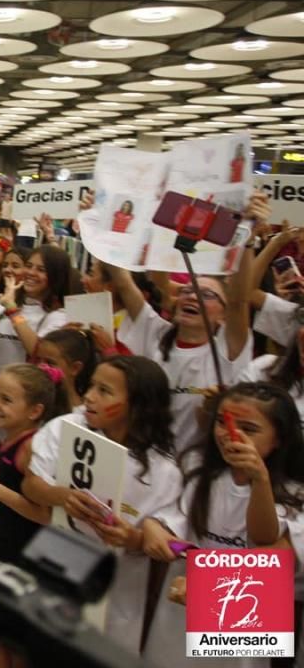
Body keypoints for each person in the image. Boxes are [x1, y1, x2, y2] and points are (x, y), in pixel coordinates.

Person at [23, 356, 182, 655]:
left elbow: (164, 544)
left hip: (118, 593)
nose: (89, 396)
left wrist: (132, 539)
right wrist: (60, 495)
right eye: (92, 385)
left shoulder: (165, 471)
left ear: (139, 405)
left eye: (104, 391)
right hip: (57, 568)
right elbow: (30, 484)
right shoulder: (67, 427)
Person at [142, 383, 304, 668]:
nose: (230, 435)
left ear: (279, 438)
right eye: (221, 421)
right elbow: (172, 525)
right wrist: (153, 528)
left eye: (249, 429)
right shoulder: (197, 468)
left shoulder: (297, 494)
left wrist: (260, 480)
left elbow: (270, 549)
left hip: (246, 612)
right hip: (181, 609)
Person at [109, 240, 255, 454]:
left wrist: (249, 241)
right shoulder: (156, 334)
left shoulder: (226, 352)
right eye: (186, 291)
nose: (192, 296)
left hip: (192, 472)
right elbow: (123, 282)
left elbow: (239, 302)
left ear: (224, 315)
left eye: (207, 295)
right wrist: (98, 225)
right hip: (143, 459)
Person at [0, 363, 67, 564]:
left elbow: (45, 515)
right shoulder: (14, 436)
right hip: (5, 542)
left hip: (24, 554)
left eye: (6, 400)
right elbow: (9, 470)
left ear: (35, 411)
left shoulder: (31, 448)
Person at [0, 245, 72, 375]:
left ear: (56, 276)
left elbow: (38, 351)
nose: (31, 273)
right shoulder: (5, 301)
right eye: (29, 266)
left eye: (41, 270)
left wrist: (12, 311)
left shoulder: (60, 316)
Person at [35, 328, 99, 410]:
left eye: (50, 363)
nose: (41, 367)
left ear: (75, 368)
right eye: (38, 360)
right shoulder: (32, 401)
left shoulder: (81, 413)